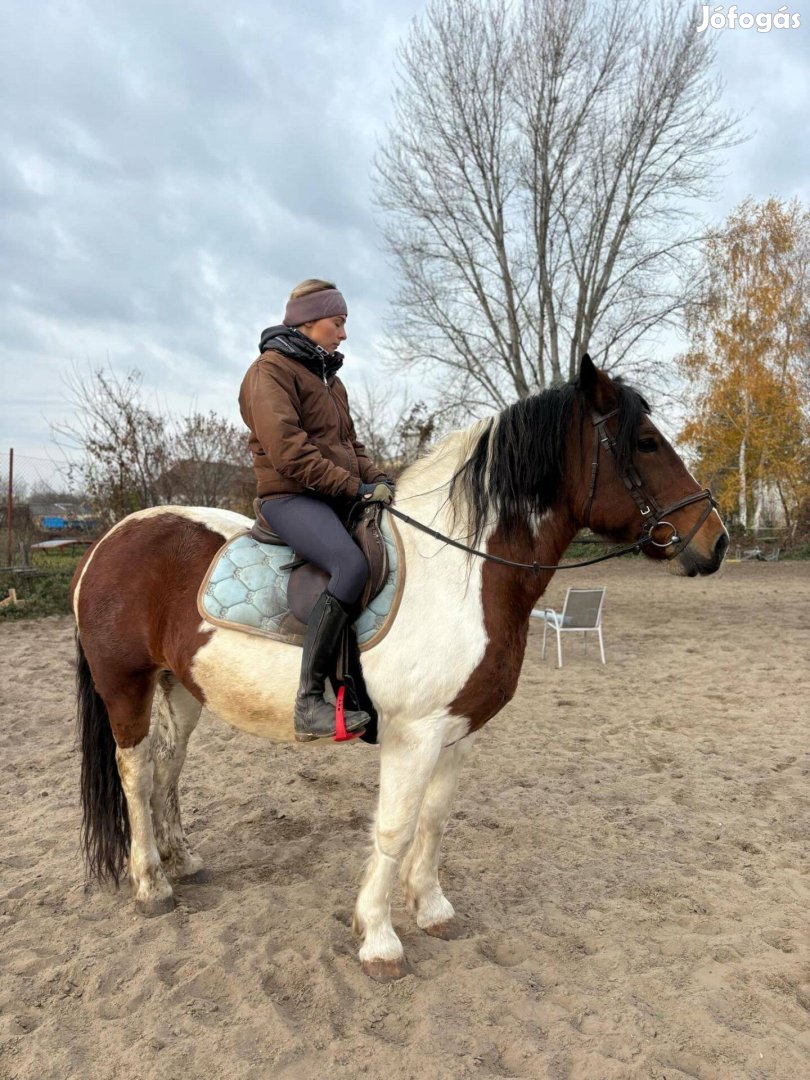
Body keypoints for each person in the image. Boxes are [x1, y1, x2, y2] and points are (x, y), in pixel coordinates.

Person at [238, 279, 394, 741]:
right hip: (290, 497)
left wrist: (379, 480)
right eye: (338, 323)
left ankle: (361, 689)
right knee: (349, 565)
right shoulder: (270, 371)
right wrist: (354, 488)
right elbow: (289, 452)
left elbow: (350, 445)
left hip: (331, 494)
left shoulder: (331, 380)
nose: (343, 334)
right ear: (309, 321)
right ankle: (309, 700)